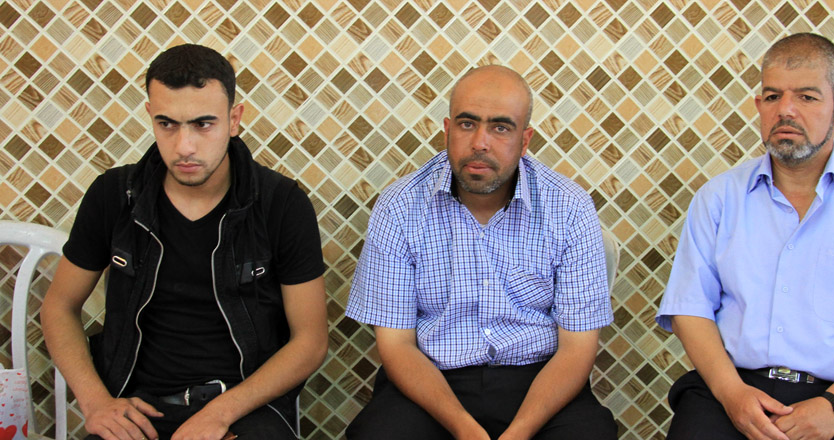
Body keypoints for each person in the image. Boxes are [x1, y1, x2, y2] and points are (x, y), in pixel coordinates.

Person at [656, 33, 834, 440]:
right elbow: (690, 309)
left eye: (807, 97)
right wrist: (732, 394)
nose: (786, 110)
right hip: (732, 390)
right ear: (759, 105)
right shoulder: (718, 198)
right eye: (772, 96)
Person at [40, 44, 328, 440]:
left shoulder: (280, 203)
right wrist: (96, 403)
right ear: (150, 117)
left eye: (203, 124)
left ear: (234, 119)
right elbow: (59, 306)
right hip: (136, 408)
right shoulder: (114, 195)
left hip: (243, 407)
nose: (184, 147)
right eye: (167, 124)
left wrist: (220, 414)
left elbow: (310, 341)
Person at [344, 65, 617, 440]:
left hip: (539, 380)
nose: (480, 143)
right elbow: (396, 345)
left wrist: (519, 432)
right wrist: (464, 428)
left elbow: (576, 350)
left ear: (525, 140)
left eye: (501, 128)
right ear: (447, 130)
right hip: (432, 380)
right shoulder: (399, 206)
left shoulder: (569, 207)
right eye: (467, 124)